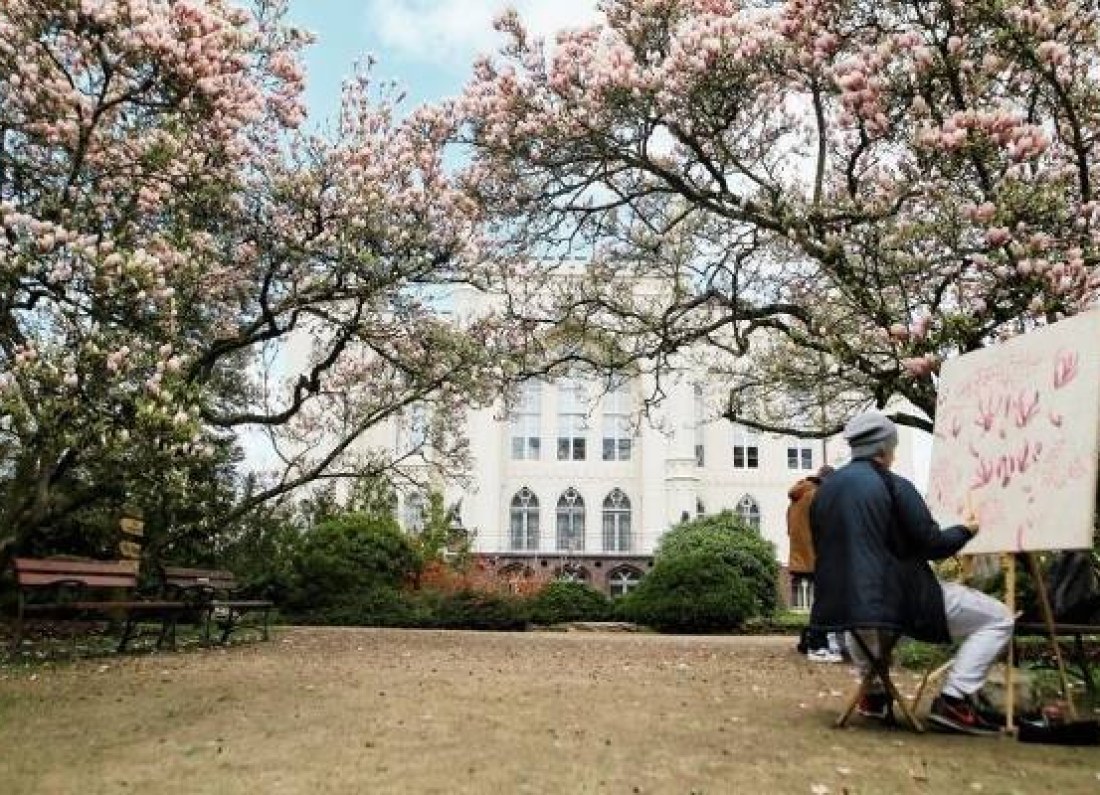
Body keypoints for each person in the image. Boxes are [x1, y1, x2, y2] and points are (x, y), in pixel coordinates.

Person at [809, 411, 1015, 735]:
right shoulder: (893, 485)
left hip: (840, 605)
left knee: (865, 624)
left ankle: (874, 697)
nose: (894, 454)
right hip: (899, 601)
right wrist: (967, 529)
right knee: (999, 618)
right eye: (893, 447)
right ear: (883, 449)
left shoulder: (824, 491)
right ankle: (954, 700)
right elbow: (933, 544)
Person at [787, 464, 842, 662]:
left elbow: (790, 528)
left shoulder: (798, 496)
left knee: (821, 599)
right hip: (817, 557)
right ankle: (818, 644)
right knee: (825, 601)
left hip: (800, 557)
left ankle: (808, 641)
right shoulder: (817, 496)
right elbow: (827, 528)